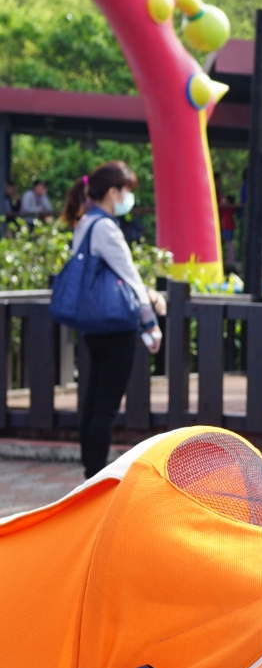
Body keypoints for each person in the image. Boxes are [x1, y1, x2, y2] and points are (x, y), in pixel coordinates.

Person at [70, 162, 165, 477]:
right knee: (106, 406)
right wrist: (150, 324)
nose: (128, 198)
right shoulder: (106, 228)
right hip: (116, 326)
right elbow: (130, 276)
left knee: (93, 400)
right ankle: (95, 475)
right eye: (126, 191)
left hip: (93, 325)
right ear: (113, 192)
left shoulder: (85, 223)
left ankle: (89, 471)